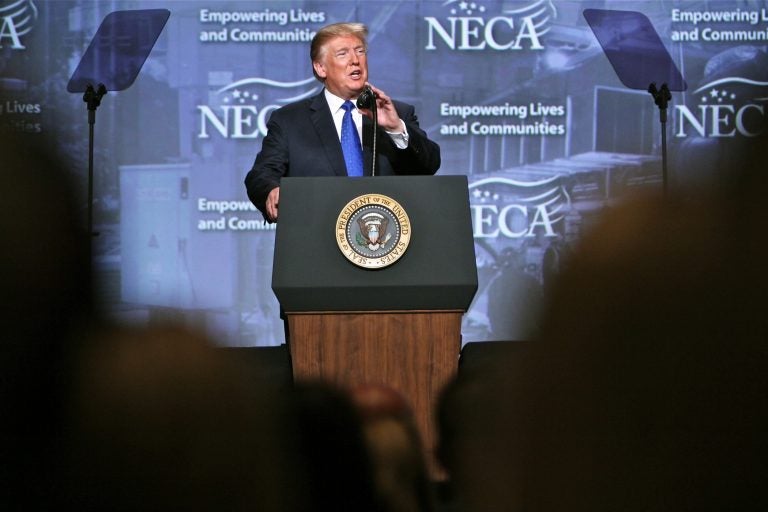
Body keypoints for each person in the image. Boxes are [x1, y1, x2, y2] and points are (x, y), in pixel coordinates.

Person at [244, 22, 441, 222]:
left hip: (384, 238)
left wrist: (395, 128)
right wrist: (271, 190)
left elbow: (428, 166)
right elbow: (262, 174)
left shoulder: (397, 113)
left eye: (360, 51)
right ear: (321, 68)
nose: (355, 60)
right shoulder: (289, 121)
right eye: (343, 54)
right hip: (317, 237)